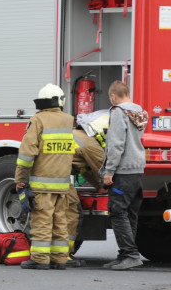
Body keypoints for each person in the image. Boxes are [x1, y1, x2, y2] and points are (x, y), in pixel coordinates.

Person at [14, 84, 75, 269]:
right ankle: (60, 258)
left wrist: (20, 180)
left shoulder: (38, 120)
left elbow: (26, 154)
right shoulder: (68, 120)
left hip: (42, 184)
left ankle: (40, 259)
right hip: (63, 185)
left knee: (42, 220)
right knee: (60, 222)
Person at [101, 80, 148, 270]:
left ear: (113, 96)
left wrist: (109, 171)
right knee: (130, 214)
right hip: (137, 171)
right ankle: (124, 255)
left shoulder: (118, 112)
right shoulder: (140, 112)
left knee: (117, 211)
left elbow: (116, 144)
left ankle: (130, 255)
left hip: (123, 172)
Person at [64, 127, 106, 266]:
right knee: (72, 212)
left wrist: (98, 187)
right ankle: (64, 255)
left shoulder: (79, 136)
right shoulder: (91, 146)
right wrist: (111, 188)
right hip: (56, 177)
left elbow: (84, 169)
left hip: (49, 173)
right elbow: (104, 170)